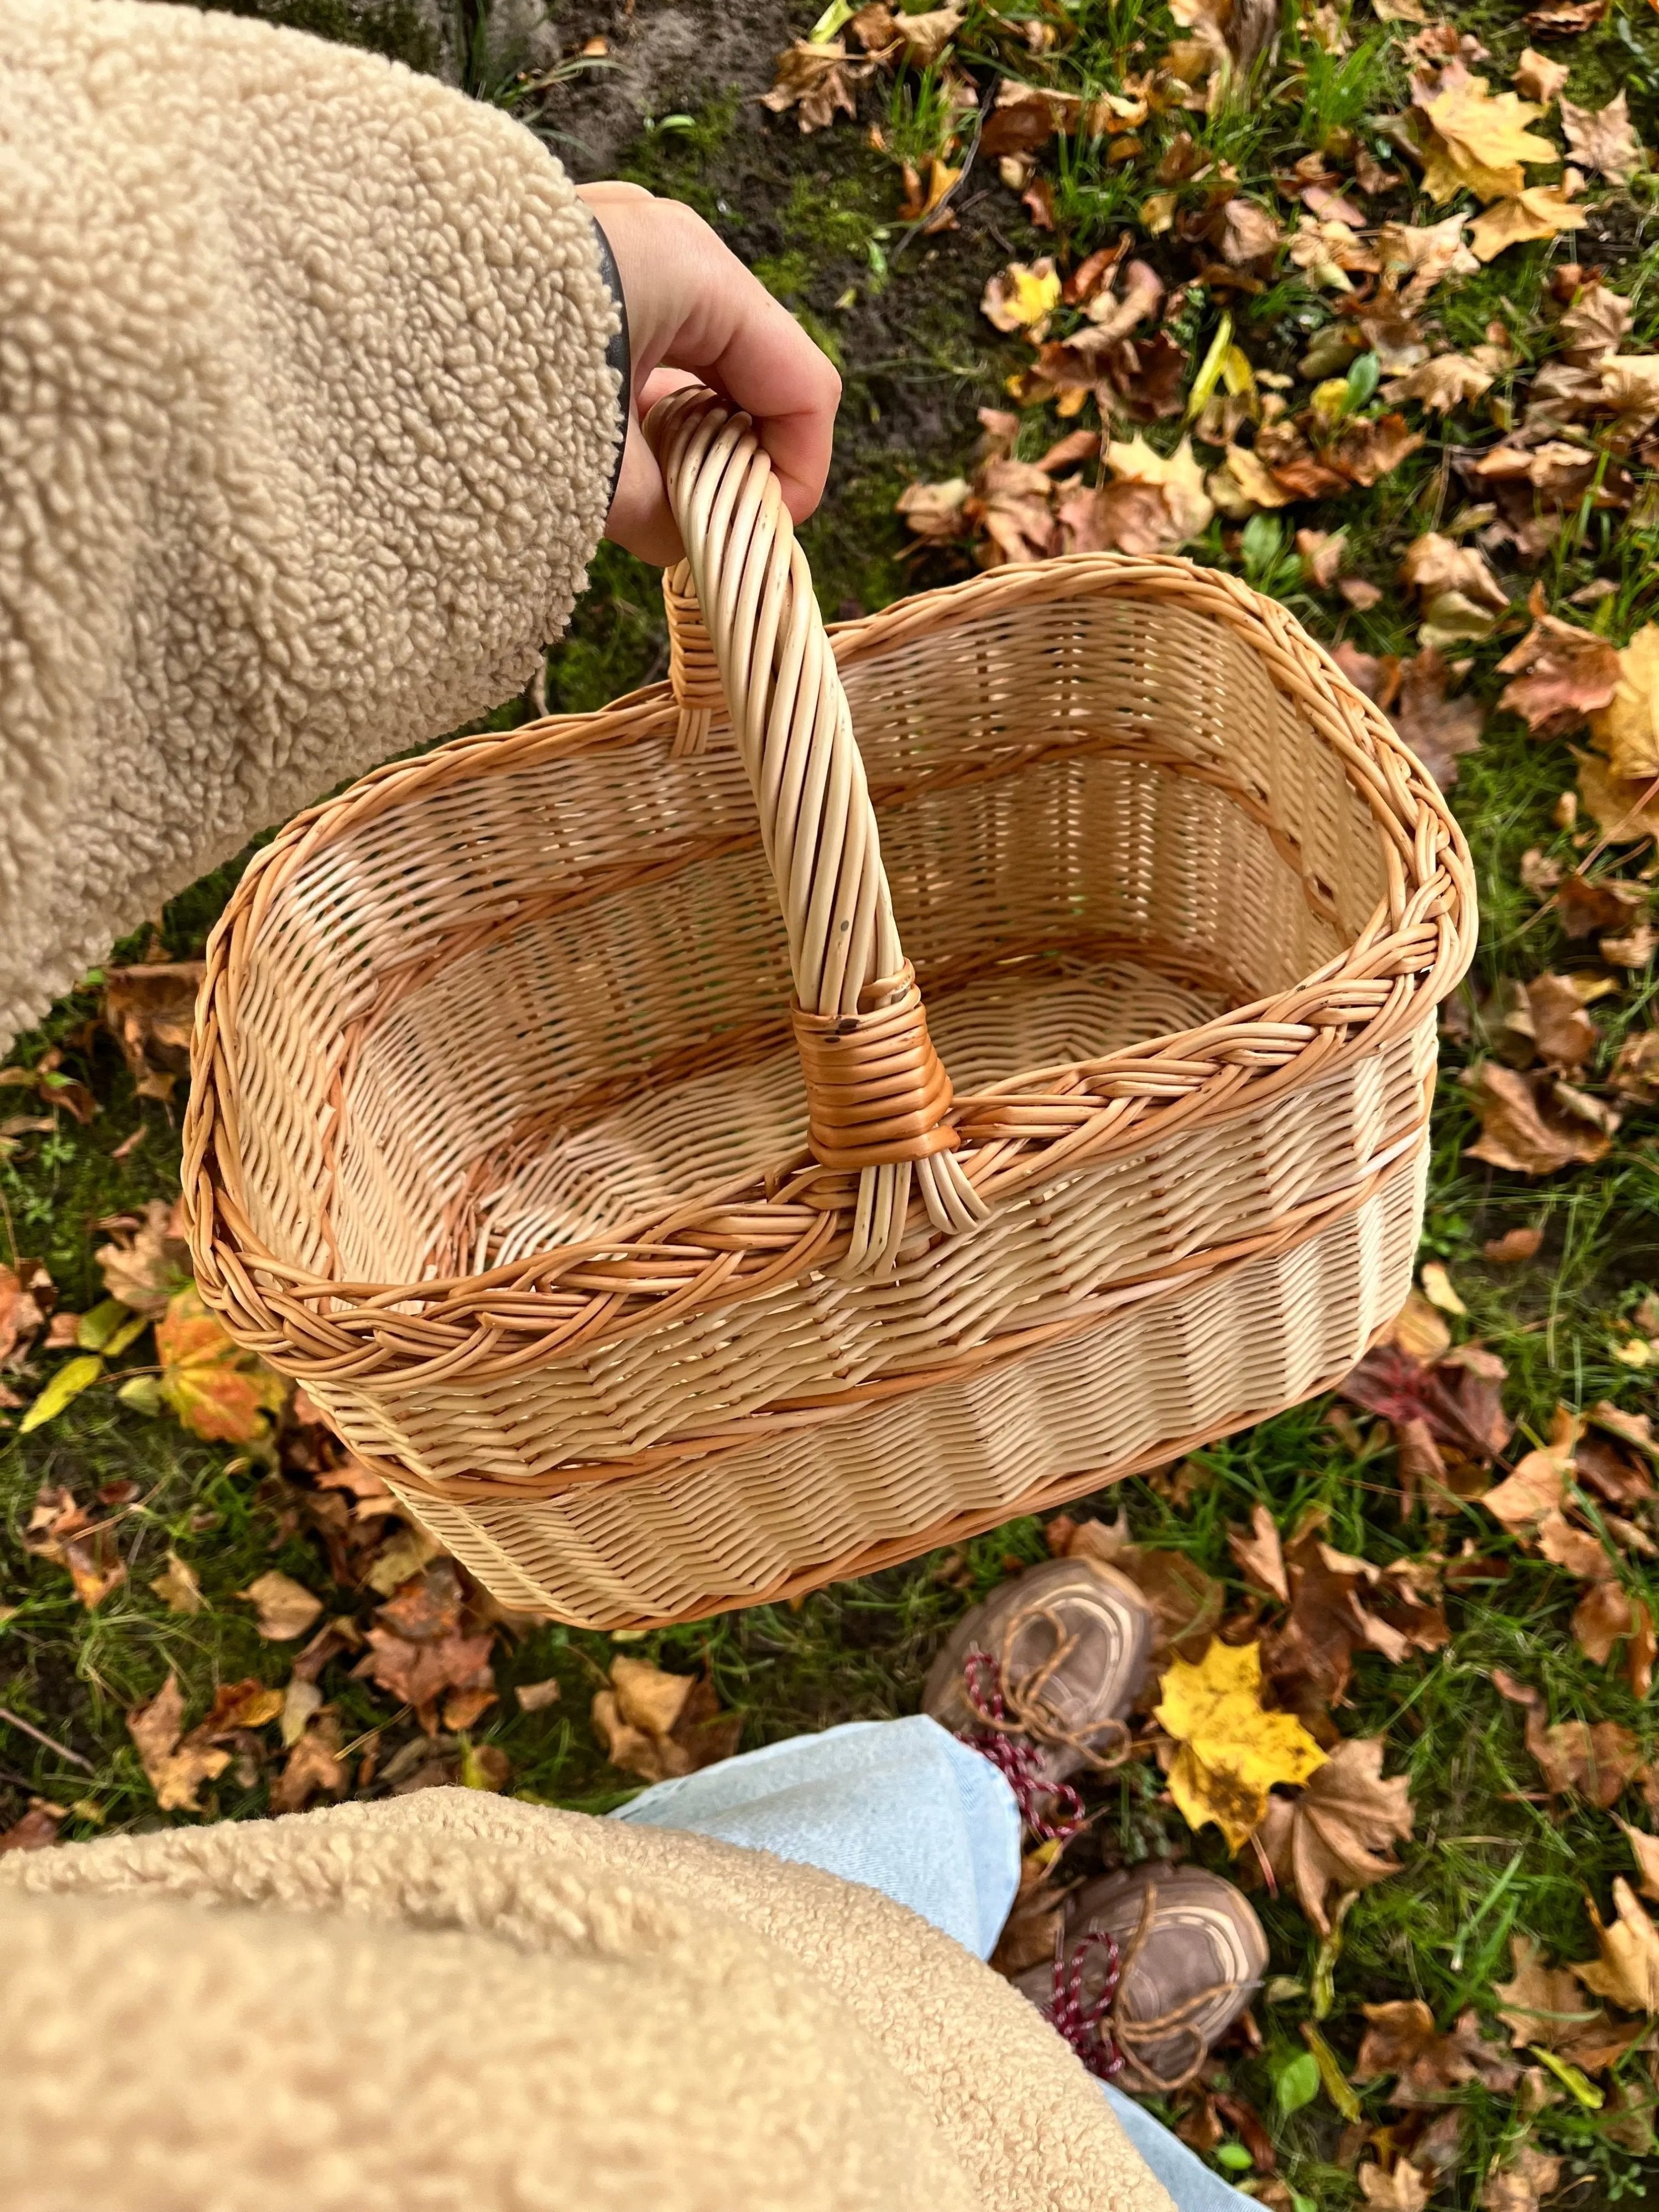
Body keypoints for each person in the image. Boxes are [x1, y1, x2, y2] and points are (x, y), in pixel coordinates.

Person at [0, 6, 1264, 2205]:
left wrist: (478, 343)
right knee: (986, 2118)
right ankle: (1034, 2051)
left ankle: (960, 1828)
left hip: (505, 2050)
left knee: (807, 1902)